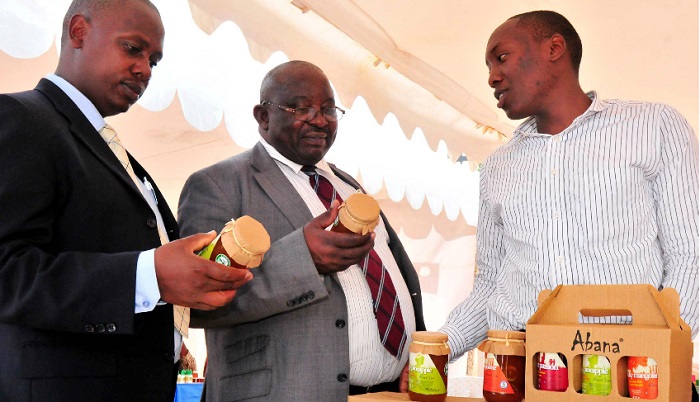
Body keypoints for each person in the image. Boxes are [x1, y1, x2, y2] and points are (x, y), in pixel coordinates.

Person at [0, 1, 252, 401]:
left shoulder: (111, 149)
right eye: (133, 49)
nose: (146, 70)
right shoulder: (19, 117)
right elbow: (7, 271)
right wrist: (149, 275)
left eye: (155, 60)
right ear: (79, 31)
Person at [439, 10, 698, 359]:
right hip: (525, 368)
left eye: (501, 58)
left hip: (629, 370)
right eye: (489, 67)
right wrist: (440, 347)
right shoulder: (498, 166)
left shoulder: (653, 127)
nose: (492, 78)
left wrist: (656, 350)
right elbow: (490, 283)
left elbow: (689, 254)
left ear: (554, 48)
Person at [177, 60, 426, 401]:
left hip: (389, 393)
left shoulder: (349, 187)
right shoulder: (218, 185)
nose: (320, 120)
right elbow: (200, 302)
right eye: (301, 107)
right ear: (263, 116)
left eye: (328, 109)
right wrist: (304, 258)